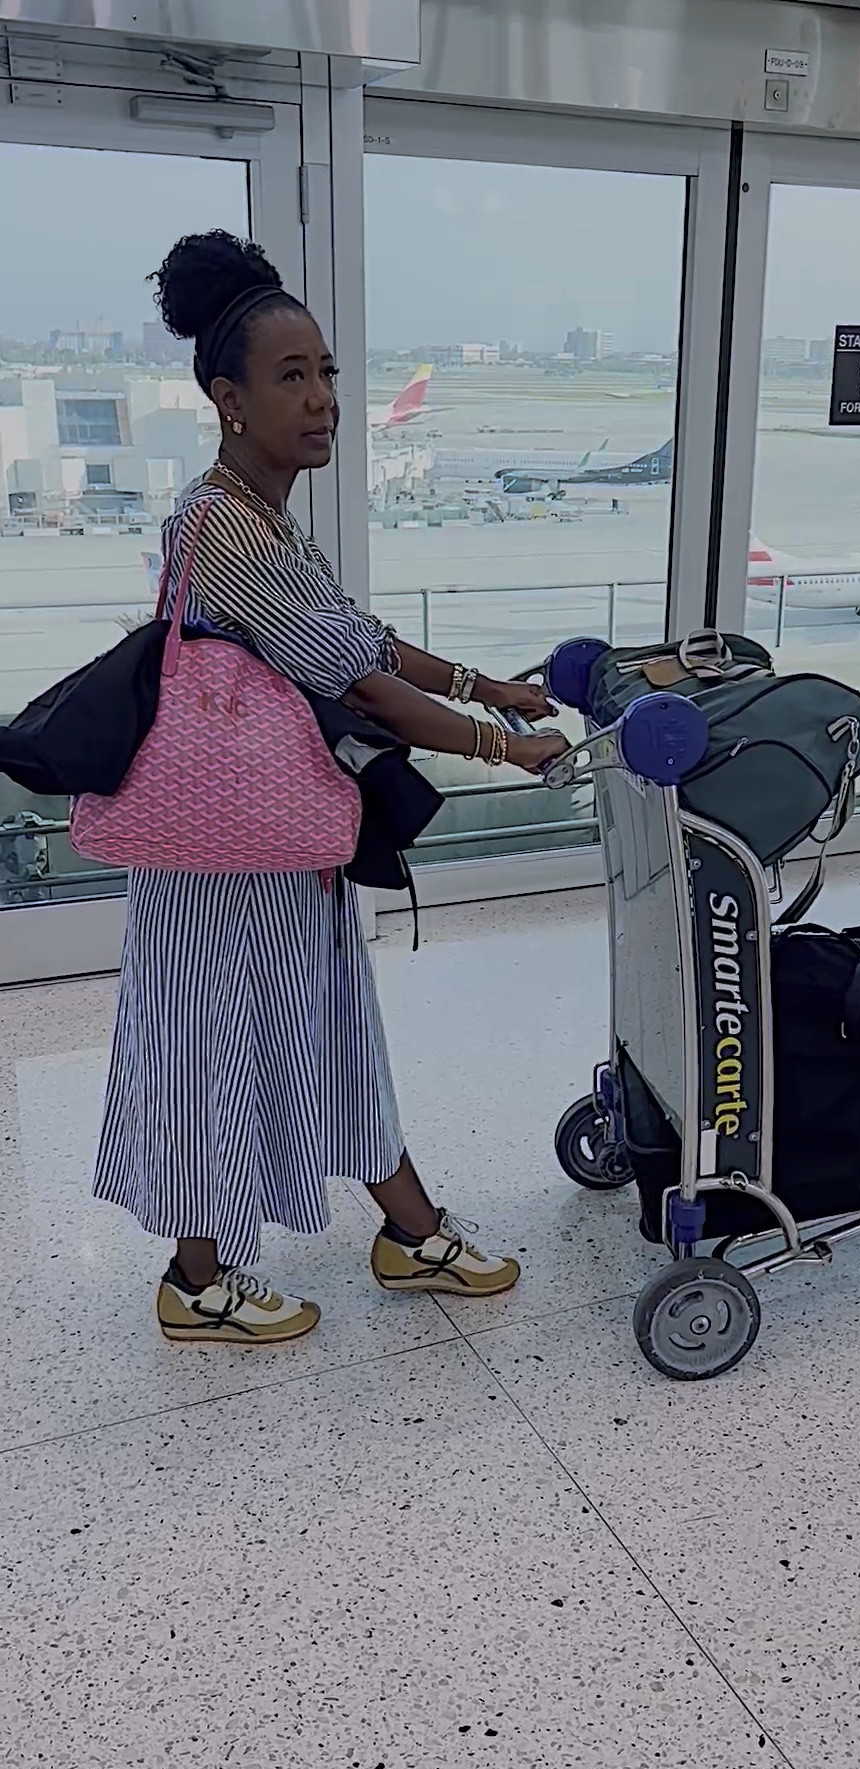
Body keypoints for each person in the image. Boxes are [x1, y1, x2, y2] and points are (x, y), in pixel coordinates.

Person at [93, 230, 568, 1346]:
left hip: (270, 841)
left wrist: (490, 687)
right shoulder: (220, 524)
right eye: (290, 376)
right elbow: (356, 679)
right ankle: (199, 1280)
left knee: (324, 1028)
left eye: (327, 373)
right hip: (220, 860)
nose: (321, 400)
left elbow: (365, 637)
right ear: (229, 400)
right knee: (211, 1050)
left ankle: (405, 1230)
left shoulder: (262, 513)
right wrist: (501, 748)